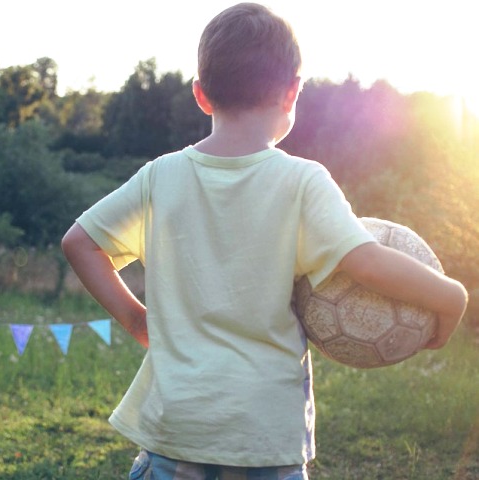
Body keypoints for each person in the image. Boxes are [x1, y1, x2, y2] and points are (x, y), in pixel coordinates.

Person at [61, 3, 468, 479]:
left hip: (175, 430)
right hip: (263, 440)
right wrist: (451, 295)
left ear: (201, 94)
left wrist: (135, 318)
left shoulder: (161, 176)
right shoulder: (302, 181)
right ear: (293, 90)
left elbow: (80, 241)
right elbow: (366, 262)